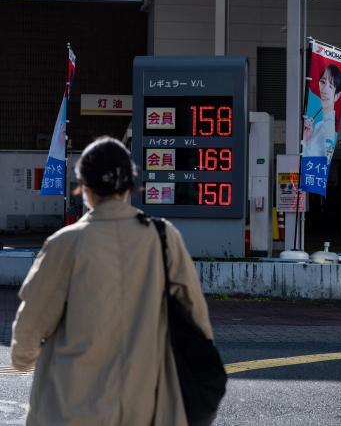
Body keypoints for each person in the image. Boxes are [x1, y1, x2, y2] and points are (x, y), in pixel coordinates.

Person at [11, 137, 213, 426]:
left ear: (85, 188)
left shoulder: (66, 243)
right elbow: (198, 322)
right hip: (147, 406)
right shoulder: (164, 238)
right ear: (130, 186)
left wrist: (23, 359)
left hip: (69, 407)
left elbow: (32, 321)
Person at [302, 64, 341, 164]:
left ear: (337, 95)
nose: (324, 90)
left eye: (331, 86)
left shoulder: (329, 129)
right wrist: (305, 139)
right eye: (322, 82)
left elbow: (318, 162)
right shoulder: (317, 124)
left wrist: (304, 143)